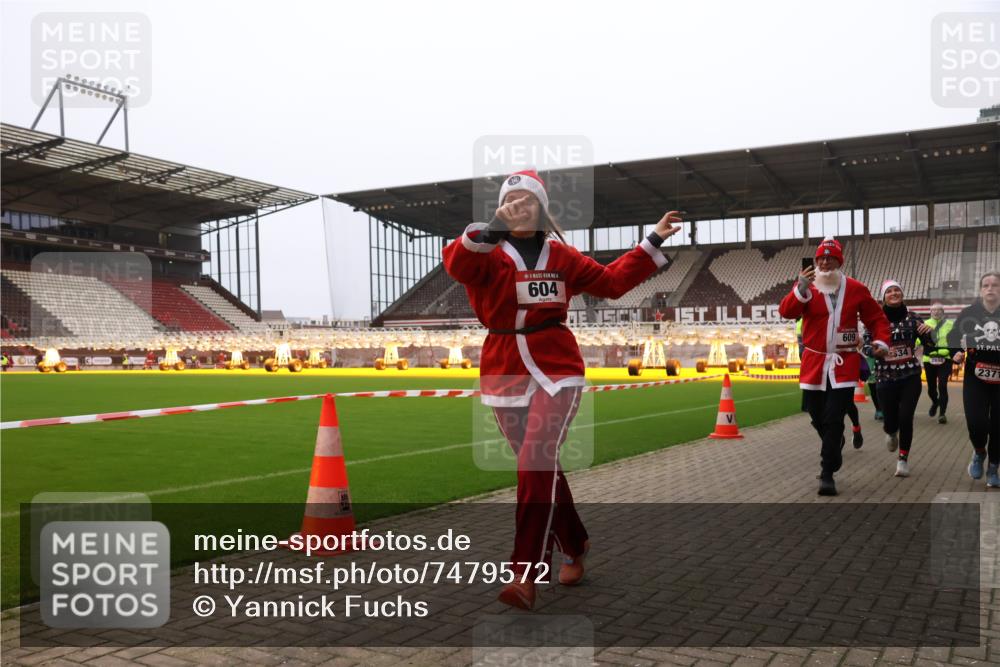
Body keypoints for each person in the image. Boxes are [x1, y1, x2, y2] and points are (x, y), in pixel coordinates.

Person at [443, 169, 682, 609]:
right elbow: (458, 265)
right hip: (504, 369)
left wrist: (652, 240)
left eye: (528, 200)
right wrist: (493, 227)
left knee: (535, 461)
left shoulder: (562, 256)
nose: (519, 206)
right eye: (511, 200)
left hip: (557, 367)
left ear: (541, 208)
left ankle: (525, 573)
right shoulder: (485, 251)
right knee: (542, 468)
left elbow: (611, 283)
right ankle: (575, 544)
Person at [779, 236, 890, 496]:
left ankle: (827, 472)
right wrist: (799, 289)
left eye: (830, 258)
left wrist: (881, 342)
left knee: (833, 417)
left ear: (839, 261)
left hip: (844, 363)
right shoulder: (807, 286)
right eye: (821, 258)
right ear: (816, 261)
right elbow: (786, 312)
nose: (825, 262)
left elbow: (876, 318)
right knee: (816, 414)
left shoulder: (856, 288)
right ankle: (835, 442)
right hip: (814, 363)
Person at [862, 280, 934, 478]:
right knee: (891, 420)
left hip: (910, 375)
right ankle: (891, 431)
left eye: (897, 290)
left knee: (906, 417)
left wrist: (929, 333)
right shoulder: (875, 320)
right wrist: (874, 352)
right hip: (885, 377)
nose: (894, 293)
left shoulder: (913, 318)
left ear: (902, 294)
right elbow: (866, 346)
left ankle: (903, 459)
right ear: (884, 297)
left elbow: (930, 344)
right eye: (889, 291)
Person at [949, 272, 1000, 488]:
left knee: (998, 426)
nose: (990, 288)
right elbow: (953, 336)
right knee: (976, 422)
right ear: (980, 290)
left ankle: (993, 467)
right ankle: (979, 451)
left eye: (995, 285)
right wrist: (955, 352)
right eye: (986, 285)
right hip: (975, 377)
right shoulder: (969, 313)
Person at [922, 302, 954, 424]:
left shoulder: (950, 324)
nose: (936, 312)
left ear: (943, 312)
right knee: (931, 388)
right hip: (929, 359)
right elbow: (918, 340)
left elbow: (955, 339)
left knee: (942, 385)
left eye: (939, 310)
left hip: (945, 359)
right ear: (930, 312)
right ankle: (935, 402)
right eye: (934, 310)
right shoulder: (924, 324)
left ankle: (942, 414)